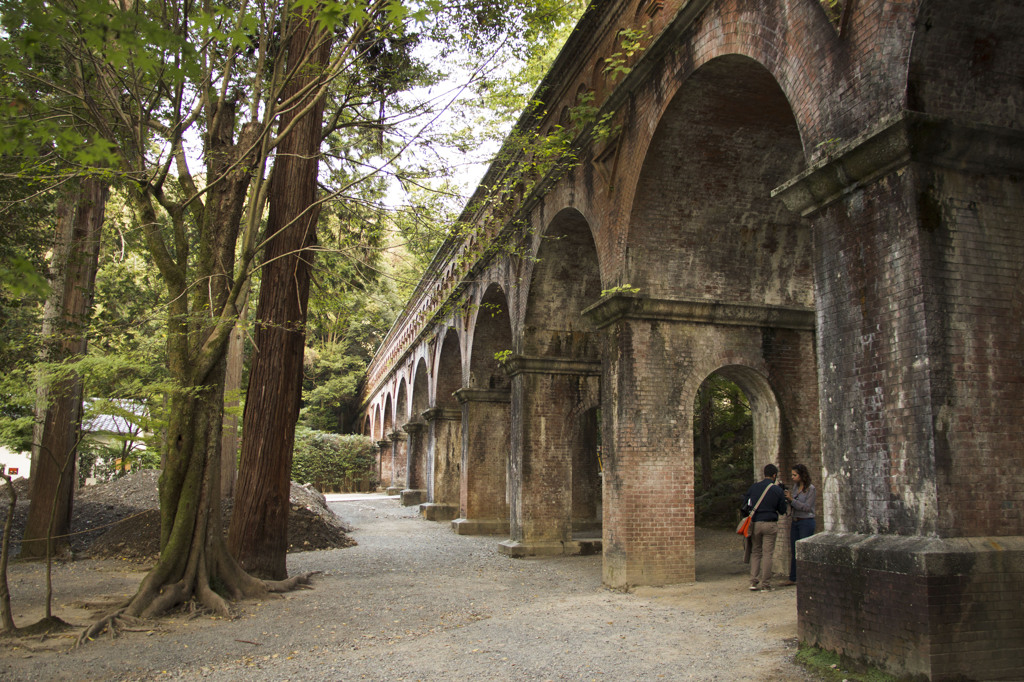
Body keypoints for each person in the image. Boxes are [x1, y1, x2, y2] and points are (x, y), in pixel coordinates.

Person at [741, 463, 788, 592]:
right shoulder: (777, 490)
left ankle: (753, 581)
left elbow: (745, 503)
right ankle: (765, 584)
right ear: (774, 475)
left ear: (764, 474)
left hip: (755, 523)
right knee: (768, 554)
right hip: (770, 523)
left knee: (756, 552)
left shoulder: (754, 487)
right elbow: (782, 510)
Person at [780, 463, 816, 586]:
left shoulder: (810, 489)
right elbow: (794, 503)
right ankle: (793, 577)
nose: (793, 477)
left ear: (802, 475)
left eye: (795, 475)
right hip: (795, 521)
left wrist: (792, 500)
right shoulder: (795, 487)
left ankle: (805, 576)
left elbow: (806, 507)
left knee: (803, 550)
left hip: (806, 521)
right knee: (794, 549)